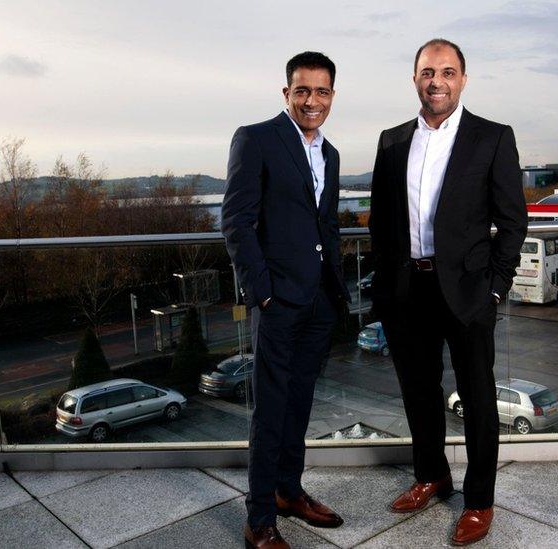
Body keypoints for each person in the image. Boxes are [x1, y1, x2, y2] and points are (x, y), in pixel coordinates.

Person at [367, 38, 528, 545]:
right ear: (414, 78)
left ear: (462, 78)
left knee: (479, 399)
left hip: (467, 290)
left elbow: (513, 221)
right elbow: (381, 223)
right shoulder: (391, 140)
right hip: (405, 289)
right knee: (419, 392)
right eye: (427, 71)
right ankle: (432, 475)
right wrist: (384, 284)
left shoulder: (492, 138)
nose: (436, 81)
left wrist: (496, 289)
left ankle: (479, 500)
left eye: (447, 72)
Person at [222, 51, 351, 549]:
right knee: (270, 409)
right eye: (302, 90)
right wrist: (262, 295)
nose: (311, 100)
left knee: (300, 402)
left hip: (319, 299)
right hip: (278, 301)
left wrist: (335, 288)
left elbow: (328, 225)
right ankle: (259, 519)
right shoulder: (255, 138)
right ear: (286, 94)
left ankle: (288, 492)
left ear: (332, 96)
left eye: (321, 91)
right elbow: (235, 221)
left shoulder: (332, 154)